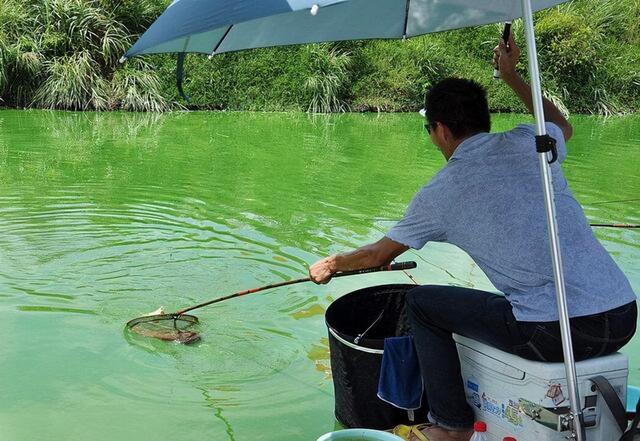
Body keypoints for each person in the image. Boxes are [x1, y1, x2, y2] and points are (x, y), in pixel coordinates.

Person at [309, 32, 637, 441]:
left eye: (429, 130)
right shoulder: (529, 143)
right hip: (622, 315)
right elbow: (561, 125)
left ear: (442, 130)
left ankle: (451, 427)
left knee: (423, 303)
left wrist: (332, 264)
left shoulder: (440, 193)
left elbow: (377, 255)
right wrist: (512, 75)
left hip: (554, 334)